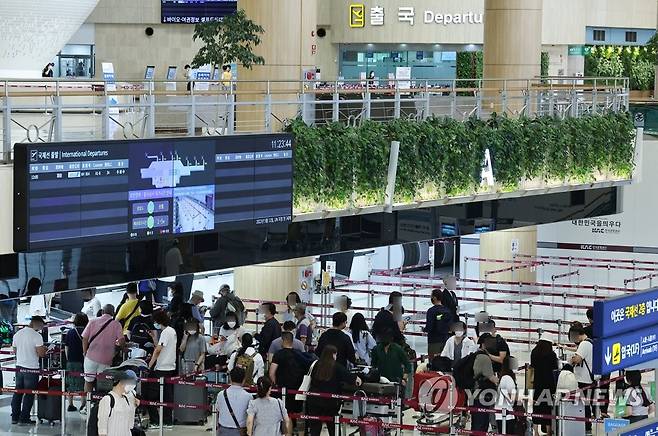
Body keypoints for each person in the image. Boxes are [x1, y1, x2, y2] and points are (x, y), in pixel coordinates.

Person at [306, 345, 361, 436]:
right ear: (333, 354)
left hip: (314, 400)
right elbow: (352, 379)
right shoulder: (337, 367)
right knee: (333, 427)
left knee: (315, 427)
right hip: (330, 402)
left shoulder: (316, 364)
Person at [11, 316, 47, 425]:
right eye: (41, 326)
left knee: (18, 392)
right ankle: (24, 418)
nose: (41, 329)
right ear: (37, 323)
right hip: (31, 369)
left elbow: (14, 350)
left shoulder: (18, 334)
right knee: (29, 394)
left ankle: (14, 417)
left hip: (19, 367)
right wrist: (44, 350)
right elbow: (41, 354)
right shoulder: (37, 336)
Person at [82, 305, 125, 396]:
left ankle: (85, 405)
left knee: (88, 381)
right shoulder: (116, 324)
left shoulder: (92, 321)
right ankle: (101, 404)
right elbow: (121, 341)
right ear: (113, 313)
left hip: (90, 357)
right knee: (103, 384)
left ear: (102, 312)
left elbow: (84, 338)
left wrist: (85, 351)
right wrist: (122, 348)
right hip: (106, 359)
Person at [147, 309, 178, 429]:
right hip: (170, 367)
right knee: (167, 395)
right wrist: (154, 338)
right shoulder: (172, 331)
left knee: (151, 395)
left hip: (161, 368)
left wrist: (150, 365)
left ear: (158, 321)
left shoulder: (166, 332)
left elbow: (158, 350)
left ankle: (154, 421)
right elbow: (161, 347)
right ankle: (167, 421)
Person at [269, 332, 306, 417]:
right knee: (292, 413)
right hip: (296, 388)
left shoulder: (278, 354)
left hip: (282, 388)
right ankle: (293, 427)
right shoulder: (299, 354)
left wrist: (275, 383)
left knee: (282, 412)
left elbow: (271, 373)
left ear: (282, 340)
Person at [567, 322, 594, 433]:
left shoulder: (584, 344)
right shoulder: (589, 342)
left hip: (584, 379)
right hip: (587, 378)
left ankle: (586, 426)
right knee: (586, 404)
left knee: (584, 405)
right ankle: (587, 425)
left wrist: (571, 360)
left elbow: (577, 359)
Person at [471, 333, 500, 433]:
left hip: (475, 392)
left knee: (476, 422)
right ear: (483, 344)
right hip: (482, 394)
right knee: (481, 423)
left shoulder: (477, 354)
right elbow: (491, 377)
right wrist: (502, 381)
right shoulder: (485, 358)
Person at [97, 370, 140, 436]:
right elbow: (102, 426)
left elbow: (130, 424)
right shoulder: (107, 400)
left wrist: (135, 405)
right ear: (121, 383)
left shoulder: (126, 399)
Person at [530, 337, 558, 436]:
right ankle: (548, 431)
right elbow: (555, 368)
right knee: (547, 408)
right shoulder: (552, 354)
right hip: (549, 384)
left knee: (536, 407)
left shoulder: (534, 352)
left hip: (537, 383)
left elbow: (532, 366)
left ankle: (536, 432)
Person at [216, 367, 252, 436]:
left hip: (223, 431)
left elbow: (218, 412)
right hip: (240, 431)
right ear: (244, 379)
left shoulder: (221, 394)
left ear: (230, 378)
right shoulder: (248, 397)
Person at [65, 313, 89, 412]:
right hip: (83, 360)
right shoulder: (87, 332)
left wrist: (68, 359)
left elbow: (66, 347)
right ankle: (83, 403)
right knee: (83, 381)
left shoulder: (70, 332)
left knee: (70, 382)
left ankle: (70, 404)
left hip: (71, 360)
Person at [424, 288, 454, 356]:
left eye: (431, 296)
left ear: (434, 298)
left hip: (434, 341)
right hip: (445, 341)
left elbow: (429, 327)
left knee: (434, 363)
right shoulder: (447, 310)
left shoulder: (431, 311)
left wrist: (424, 329)